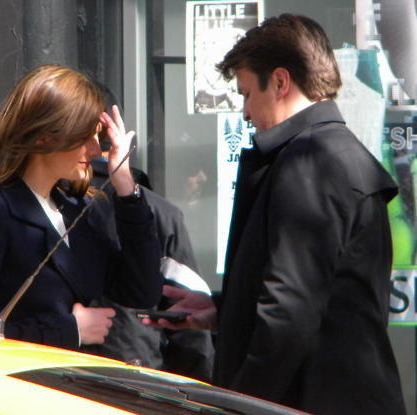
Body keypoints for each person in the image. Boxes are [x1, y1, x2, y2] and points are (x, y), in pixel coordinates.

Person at [143, 14, 407, 415]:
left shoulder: (312, 160)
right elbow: (324, 298)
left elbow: (289, 312)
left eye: (247, 93)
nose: (245, 113)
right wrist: (223, 311)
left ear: (281, 82)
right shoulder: (333, 152)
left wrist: (237, 405)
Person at [0, 64, 163, 350]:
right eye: (85, 136)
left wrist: (126, 188)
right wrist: (69, 331)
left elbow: (142, 291)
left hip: (69, 376)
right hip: (19, 377)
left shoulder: (78, 209)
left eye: (98, 136)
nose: (96, 150)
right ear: (45, 135)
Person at [84, 87, 214, 381]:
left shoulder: (50, 203)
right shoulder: (161, 213)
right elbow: (190, 331)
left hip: (49, 377)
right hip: (137, 381)